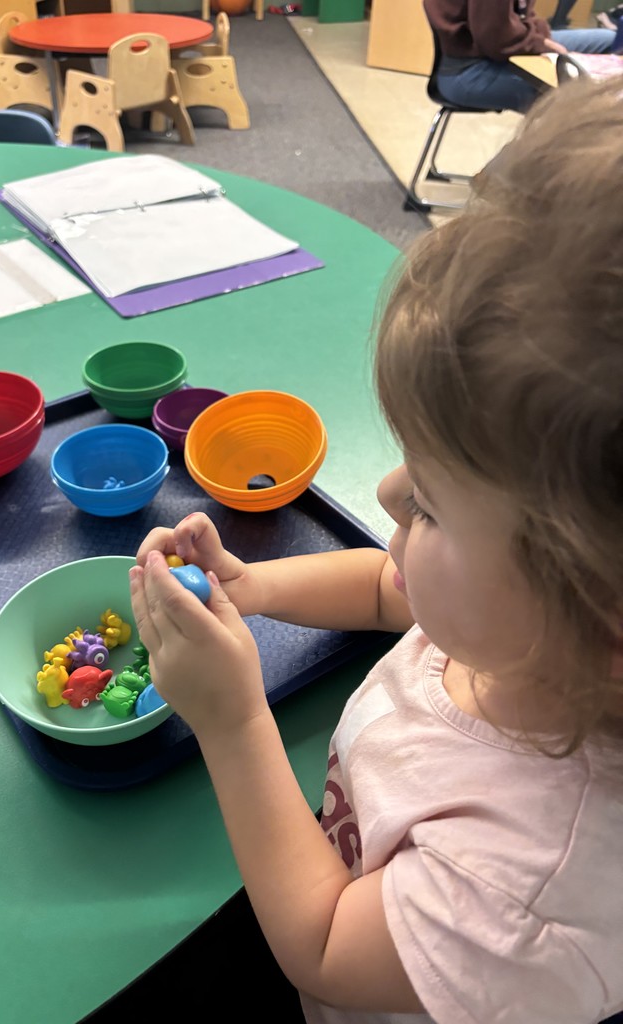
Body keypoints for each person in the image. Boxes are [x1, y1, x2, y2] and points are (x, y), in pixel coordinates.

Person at [129, 79, 623, 1024]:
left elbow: (321, 947)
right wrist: (252, 583)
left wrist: (232, 721)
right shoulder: (514, 628)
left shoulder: (530, 882)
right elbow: (391, 590)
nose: (388, 494)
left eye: (430, 502)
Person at [424, 0, 615, 112]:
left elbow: (524, 14)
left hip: (502, 46)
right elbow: (495, 38)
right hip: (468, 71)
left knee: (610, 41)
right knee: (577, 100)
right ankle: (507, 174)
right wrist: (541, 43)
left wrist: (540, 39)